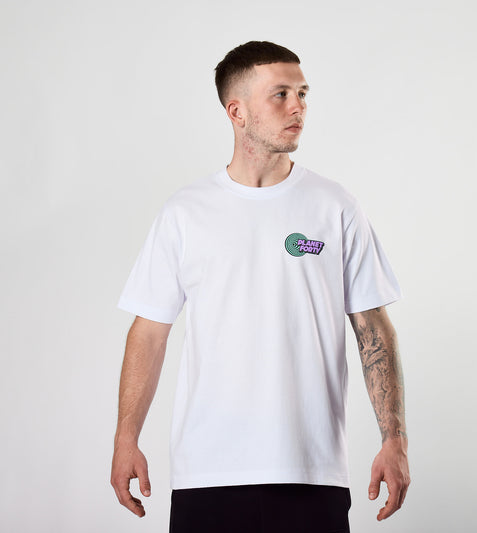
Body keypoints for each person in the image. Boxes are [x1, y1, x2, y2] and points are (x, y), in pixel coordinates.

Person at [111, 40, 410, 532]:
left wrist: (394, 440)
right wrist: (126, 439)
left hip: (312, 471)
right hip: (208, 472)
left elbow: (373, 329)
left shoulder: (334, 205)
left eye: (303, 94)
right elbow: (149, 333)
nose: (298, 107)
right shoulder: (185, 212)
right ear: (237, 112)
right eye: (281, 94)